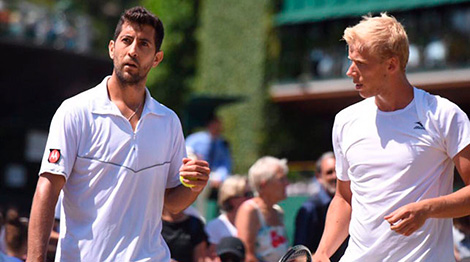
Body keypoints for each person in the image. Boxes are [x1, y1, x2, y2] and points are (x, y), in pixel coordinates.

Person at [27, 6, 210, 262]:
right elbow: (47, 189)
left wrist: (194, 187)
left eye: (144, 43)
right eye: (127, 40)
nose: (133, 50)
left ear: (157, 58)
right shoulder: (75, 111)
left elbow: (170, 203)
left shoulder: (168, 122)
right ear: (112, 48)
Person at [312, 13, 470, 262]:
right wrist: (322, 253)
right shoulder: (345, 121)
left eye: (360, 63)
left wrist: (427, 209)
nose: (349, 71)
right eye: (350, 61)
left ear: (391, 65)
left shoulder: (443, 115)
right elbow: (344, 198)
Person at [294, 152, 346, 262]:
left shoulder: (354, 204)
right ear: (319, 177)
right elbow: (299, 255)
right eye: (329, 172)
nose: (335, 176)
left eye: (337, 171)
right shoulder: (309, 209)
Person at [235, 156, 289, 262]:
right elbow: (247, 256)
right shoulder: (249, 210)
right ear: (264, 184)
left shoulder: (278, 212)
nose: (287, 183)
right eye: (281, 179)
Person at [205, 175, 252, 260]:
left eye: (251, 194)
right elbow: (211, 258)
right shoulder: (215, 226)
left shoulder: (255, 222)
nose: (251, 198)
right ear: (231, 198)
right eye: (247, 194)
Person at [186, 115, 232, 198]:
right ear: (209, 125)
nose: (217, 127)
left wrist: (220, 176)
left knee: (231, 184)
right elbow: (186, 153)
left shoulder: (222, 143)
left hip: (215, 175)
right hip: (199, 172)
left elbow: (226, 163)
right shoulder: (195, 139)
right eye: (215, 124)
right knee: (200, 185)